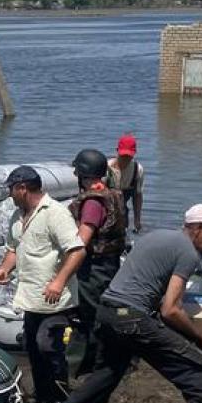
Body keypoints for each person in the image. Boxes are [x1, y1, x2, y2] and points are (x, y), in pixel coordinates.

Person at [55, 206, 202, 403]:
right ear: (196, 228)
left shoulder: (156, 236)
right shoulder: (188, 252)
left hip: (107, 311)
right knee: (200, 375)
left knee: (105, 375)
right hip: (131, 318)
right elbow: (170, 310)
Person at [0, 166, 86, 403]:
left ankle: (61, 398)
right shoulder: (18, 216)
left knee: (49, 346)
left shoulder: (54, 213)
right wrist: (4, 269)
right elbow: (14, 248)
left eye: (12, 189)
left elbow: (76, 251)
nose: (9, 194)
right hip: (31, 297)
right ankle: (42, 396)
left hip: (55, 299)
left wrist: (59, 281)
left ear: (23, 188)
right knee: (33, 347)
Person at [68, 148, 128, 377]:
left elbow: (82, 240)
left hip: (93, 268)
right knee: (104, 312)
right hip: (110, 264)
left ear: (83, 175)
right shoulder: (113, 193)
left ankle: (93, 365)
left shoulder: (93, 202)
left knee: (90, 316)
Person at [108, 133, 145, 232]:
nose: (125, 159)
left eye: (128, 156)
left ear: (134, 154)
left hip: (123, 211)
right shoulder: (107, 168)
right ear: (117, 151)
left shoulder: (138, 169)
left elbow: (137, 196)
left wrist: (137, 219)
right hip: (106, 209)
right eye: (123, 156)